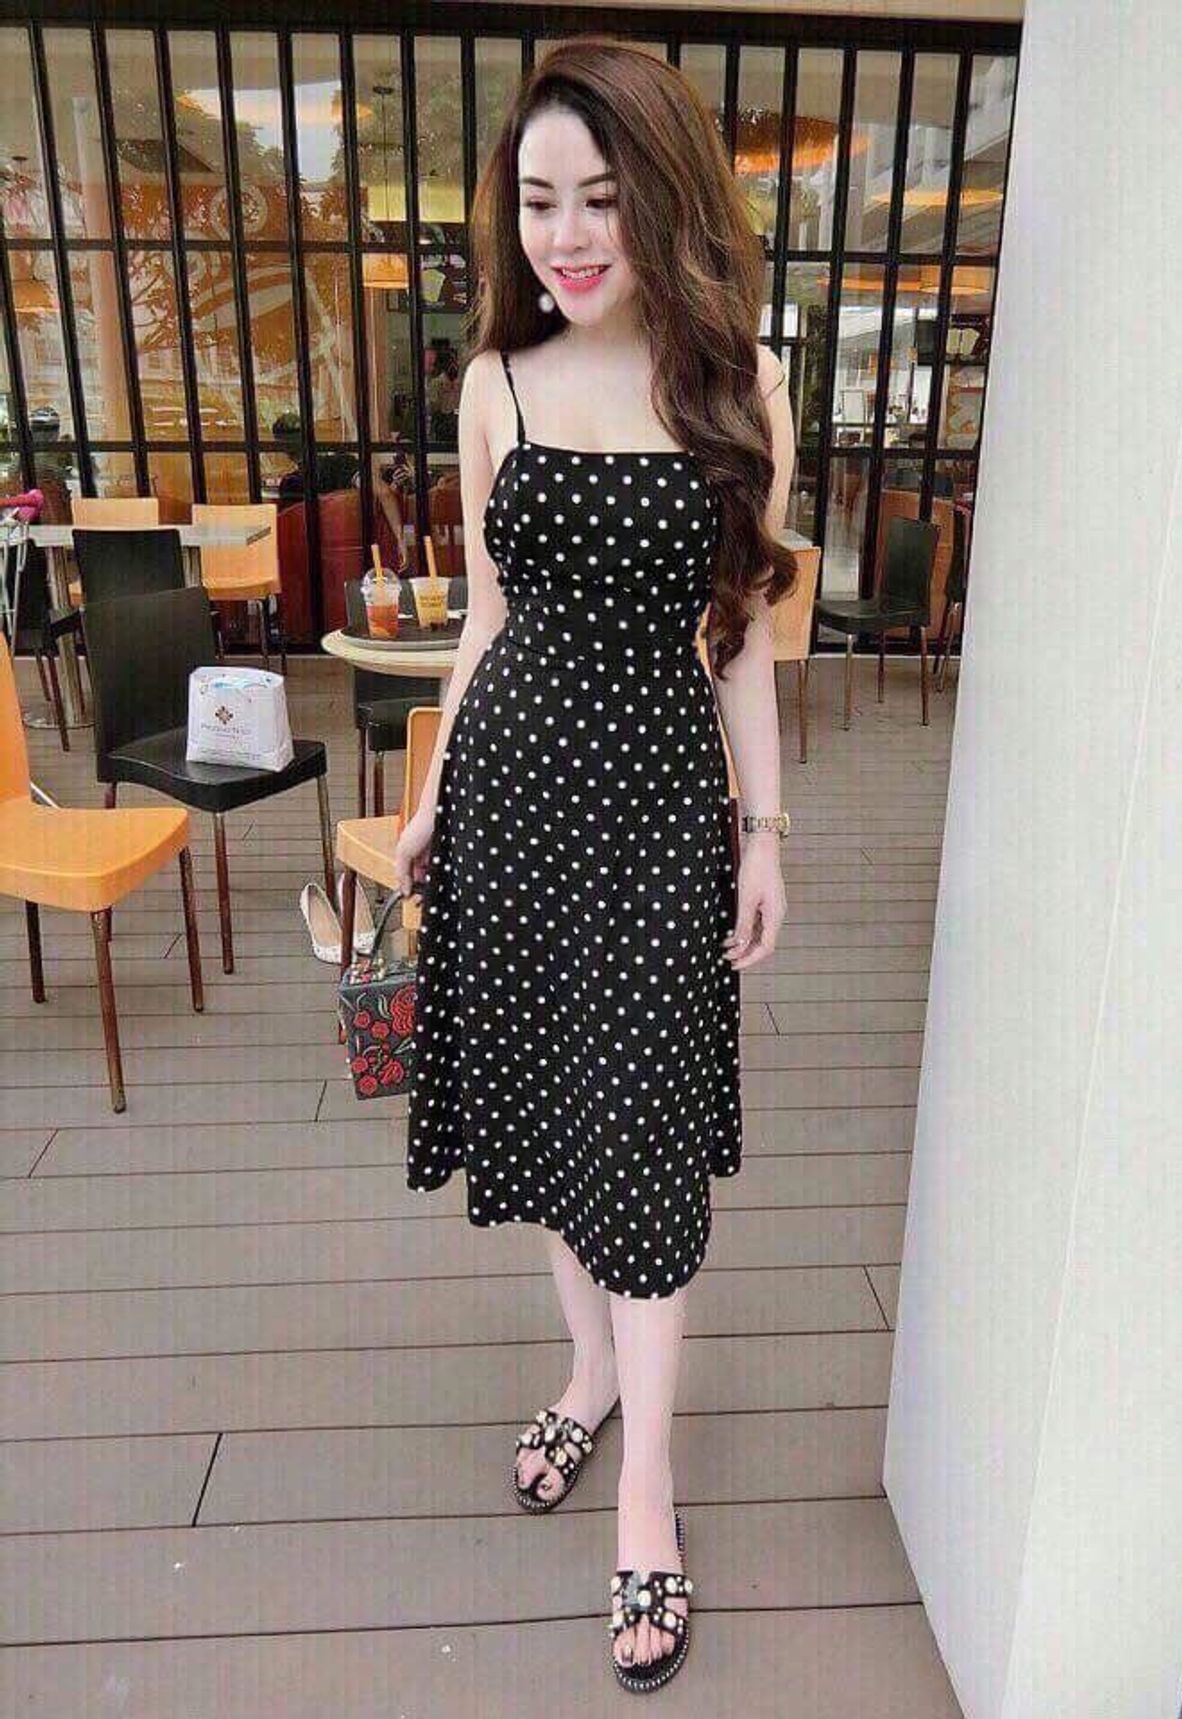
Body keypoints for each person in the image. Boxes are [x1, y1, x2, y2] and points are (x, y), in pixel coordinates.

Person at [393, 37, 794, 1693]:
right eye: (539, 201)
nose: (563, 236)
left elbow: (743, 634)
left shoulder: (738, 385)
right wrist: (431, 796)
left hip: (655, 821)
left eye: (601, 200)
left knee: (643, 1141)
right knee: (554, 1119)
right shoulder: (495, 386)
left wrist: (763, 830)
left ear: (668, 202)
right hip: (513, 811)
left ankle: (647, 1492)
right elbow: (484, 623)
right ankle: (590, 1373)